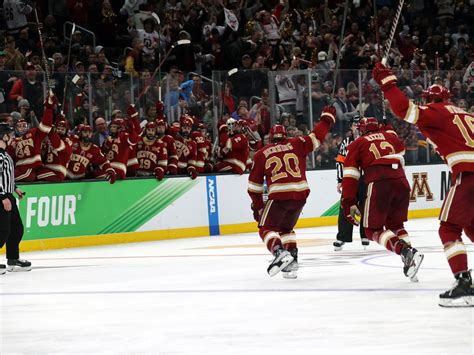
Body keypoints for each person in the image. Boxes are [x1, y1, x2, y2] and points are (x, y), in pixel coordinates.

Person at [373, 62, 474, 307]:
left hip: (469, 173)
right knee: (472, 227)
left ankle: (464, 284)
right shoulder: (465, 114)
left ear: (431, 100)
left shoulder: (438, 112)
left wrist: (387, 83)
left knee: (449, 228)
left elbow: (404, 109)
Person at [247, 106, 336, 279]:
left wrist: (258, 207)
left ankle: (279, 252)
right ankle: (292, 262)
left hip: (280, 195)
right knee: (286, 228)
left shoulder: (261, 154)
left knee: (265, 228)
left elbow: (254, 187)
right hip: (300, 194)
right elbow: (317, 136)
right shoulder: (297, 143)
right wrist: (327, 118)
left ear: (270, 138)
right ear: (285, 136)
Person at [341, 116, 424, 282]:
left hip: (379, 183)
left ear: (362, 129)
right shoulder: (391, 136)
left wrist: (348, 202)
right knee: (396, 225)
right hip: (401, 182)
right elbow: (400, 151)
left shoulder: (357, 143)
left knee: (372, 230)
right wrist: (389, 127)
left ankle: (406, 252)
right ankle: (410, 261)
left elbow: (350, 175)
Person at [334, 115, 369, 251]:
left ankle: (365, 235)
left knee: (366, 206)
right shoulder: (347, 141)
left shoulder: (367, 140)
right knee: (345, 205)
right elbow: (340, 161)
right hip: (350, 179)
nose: (357, 127)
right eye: (355, 125)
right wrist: (340, 180)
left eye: (359, 125)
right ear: (351, 127)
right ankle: (343, 236)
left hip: (366, 178)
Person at [0, 123, 30, 273]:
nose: (11, 138)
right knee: (2, 231)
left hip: (8, 195)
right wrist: (2, 196)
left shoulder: (5, 154)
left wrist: (14, 187)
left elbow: (4, 176)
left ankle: (12, 258)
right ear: (3, 136)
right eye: (9, 135)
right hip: (2, 197)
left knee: (16, 229)